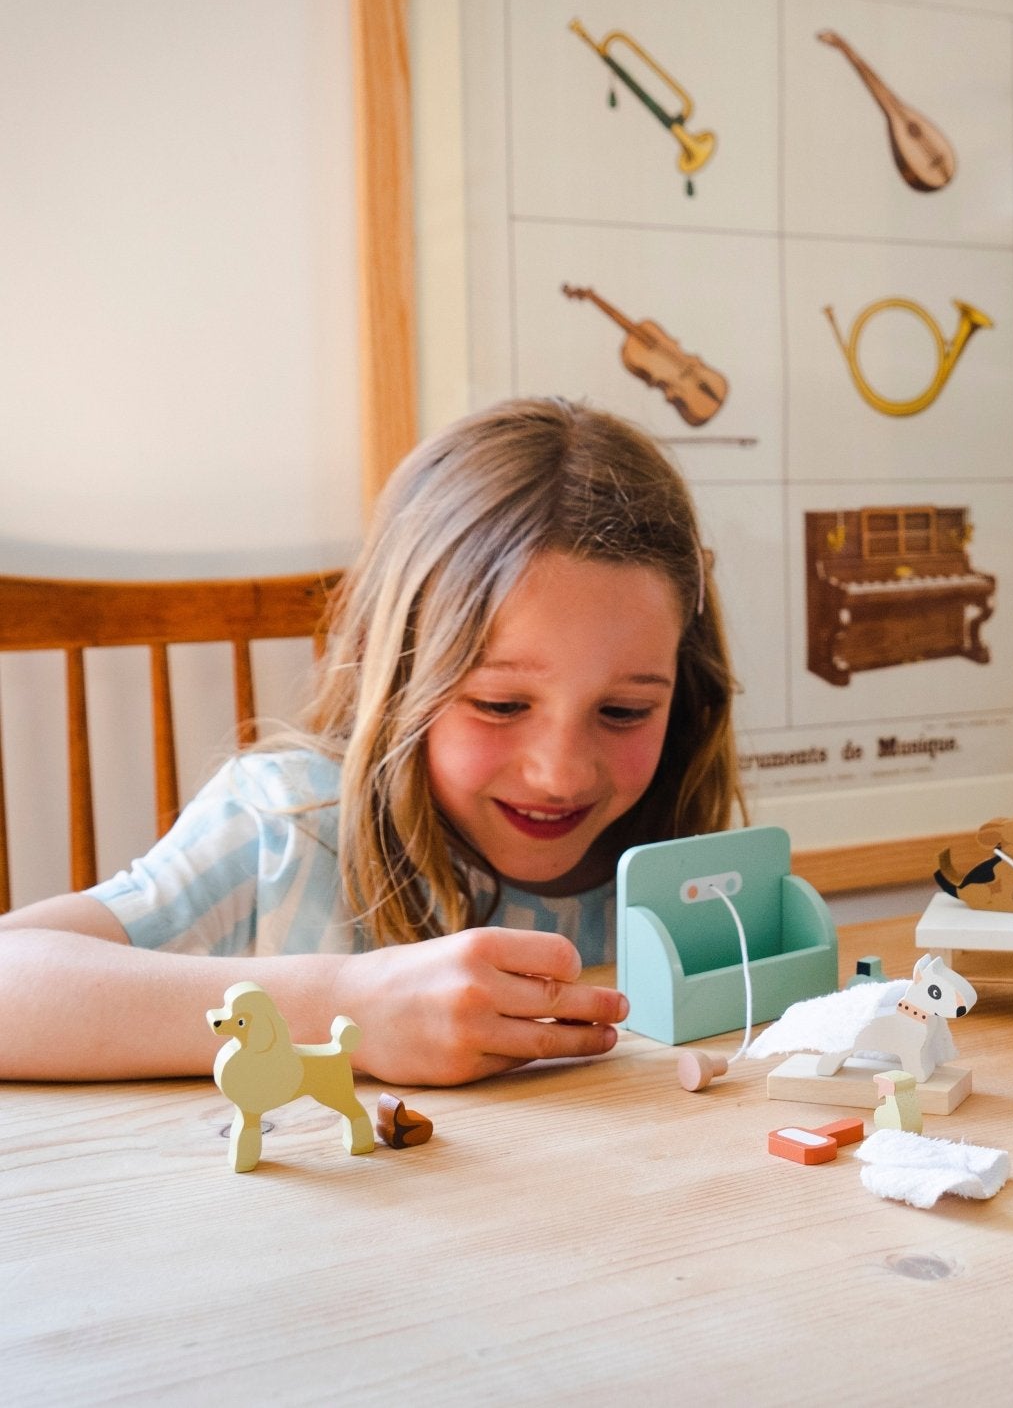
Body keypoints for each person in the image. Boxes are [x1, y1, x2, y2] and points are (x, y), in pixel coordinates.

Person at [0, 398, 740, 1084]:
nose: (560, 774)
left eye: (623, 712)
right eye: (501, 702)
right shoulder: (284, 830)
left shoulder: (675, 872)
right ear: (400, 672)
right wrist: (344, 1004)